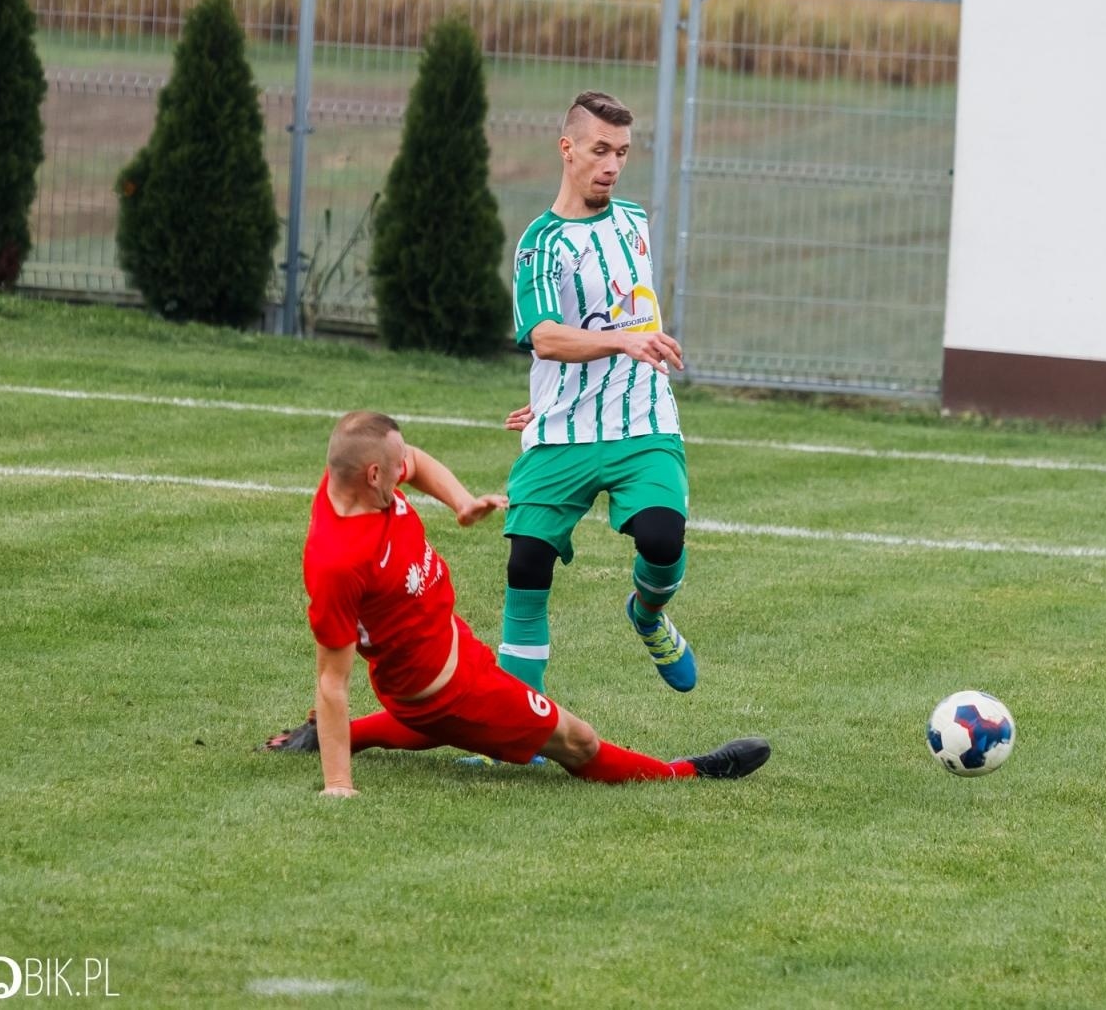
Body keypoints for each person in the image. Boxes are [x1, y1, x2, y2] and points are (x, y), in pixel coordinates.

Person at [264, 410, 768, 795]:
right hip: (451, 691)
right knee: (580, 742)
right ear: (373, 475)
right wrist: (338, 786)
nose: (407, 470)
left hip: (449, 649)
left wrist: (462, 502)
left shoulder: (352, 480)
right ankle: (692, 772)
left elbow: (416, 461)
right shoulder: (337, 561)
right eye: (396, 469)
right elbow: (332, 679)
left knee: (434, 726)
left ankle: (331, 735)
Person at [496, 89, 694, 702]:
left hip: (643, 418)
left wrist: (626, 348)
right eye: (600, 150)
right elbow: (545, 336)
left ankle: (647, 612)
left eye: (623, 152)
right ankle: (513, 724)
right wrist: (621, 348)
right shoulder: (540, 245)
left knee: (663, 540)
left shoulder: (633, 220)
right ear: (568, 149)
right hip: (563, 431)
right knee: (527, 565)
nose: (611, 165)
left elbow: (612, 308)